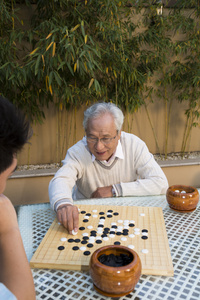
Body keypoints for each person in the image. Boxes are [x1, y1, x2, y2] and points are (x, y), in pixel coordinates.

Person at [49, 102, 168, 234]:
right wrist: (64, 204)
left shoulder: (134, 145)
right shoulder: (77, 152)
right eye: (92, 138)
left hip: (127, 217)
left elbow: (161, 183)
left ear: (118, 134)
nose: (99, 146)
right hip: (85, 221)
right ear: (86, 133)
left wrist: (115, 189)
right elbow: (61, 180)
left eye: (106, 138)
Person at [0, 96, 36, 300]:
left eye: (106, 137)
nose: (99, 143)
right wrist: (8, 231)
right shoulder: (79, 150)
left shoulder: (134, 145)